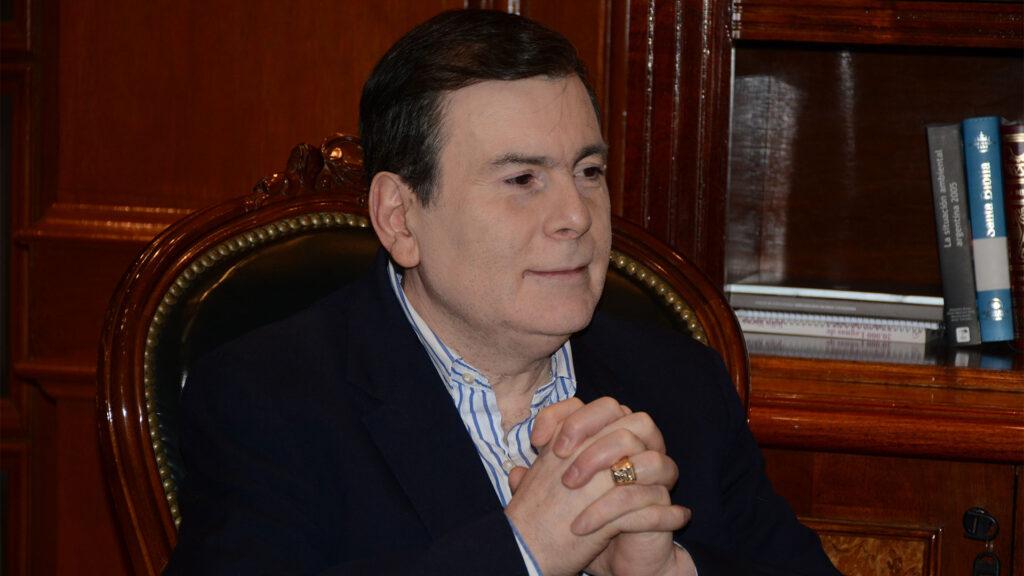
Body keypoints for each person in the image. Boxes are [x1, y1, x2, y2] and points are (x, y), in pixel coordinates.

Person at [165, 9, 842, 576]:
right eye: (522, 180)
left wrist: (670, 572)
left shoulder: (679, 383)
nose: (576, 215)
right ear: (400, 218)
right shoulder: (267, 400)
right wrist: (524, 551)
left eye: (589, 170)